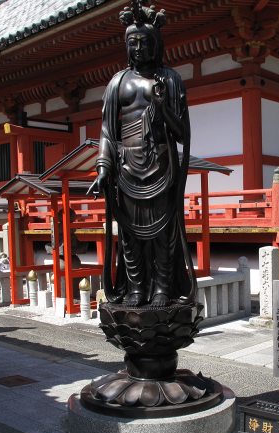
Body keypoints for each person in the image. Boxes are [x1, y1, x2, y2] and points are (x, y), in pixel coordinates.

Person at [88, 1, 196, 308]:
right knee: (130, 235)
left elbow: (182, 134)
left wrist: (162, 109)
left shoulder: (170, 79)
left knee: (164, 232)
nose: (138, 48)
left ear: (156, 45)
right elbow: (108, 132)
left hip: (161, 164)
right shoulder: (116, 83)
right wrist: (103, 168)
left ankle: (162, 287)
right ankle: (135, 287)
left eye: (144, 42)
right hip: (127, 168)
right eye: (132, 43)